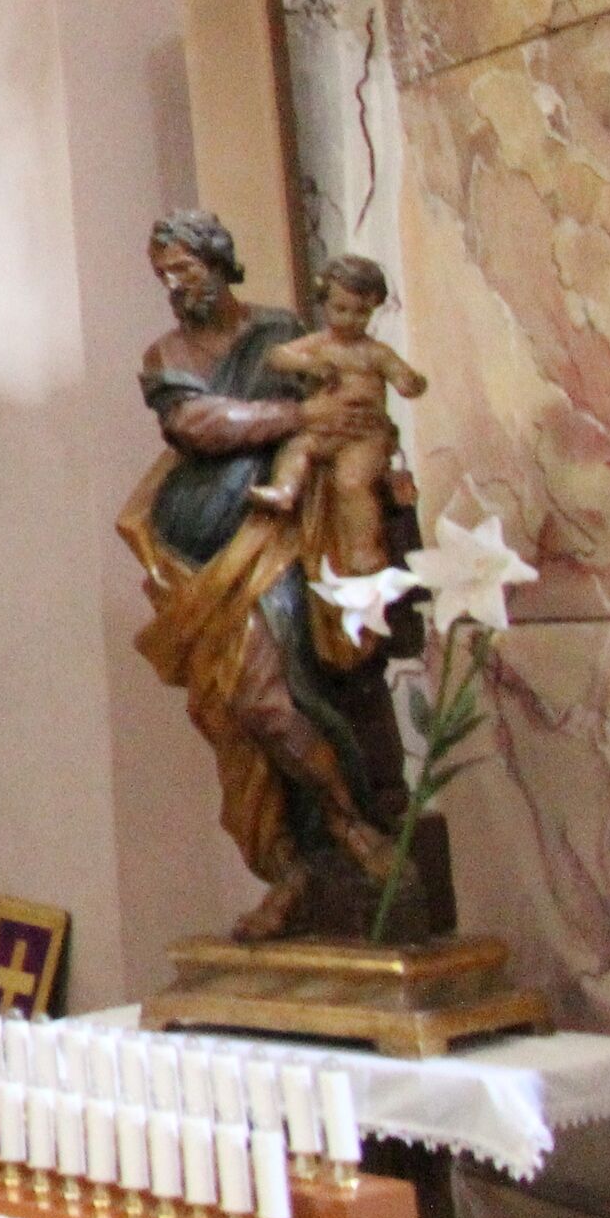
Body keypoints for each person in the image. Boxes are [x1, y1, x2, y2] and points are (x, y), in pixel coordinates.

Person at [118, 211, 416, 940]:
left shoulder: (280, 333)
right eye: (164, 274)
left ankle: (352, 829)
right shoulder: (166, 356)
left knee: (270, 700)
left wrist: (370, 459)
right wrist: (298, 414)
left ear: (220, 262)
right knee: (234, 722)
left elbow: (352, 403)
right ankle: (290, 868)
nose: (174, 285)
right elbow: (196, 425)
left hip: (279, 545)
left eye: (185, 268)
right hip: (198, 566)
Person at [246, 255, 425, 577]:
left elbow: (403, 376)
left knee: (352, 482)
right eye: (340, 309)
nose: (351, 319)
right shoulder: (319, 345)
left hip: (365, 435)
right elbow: (277, 356)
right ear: (324, 305)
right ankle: (285, 489)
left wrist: (410, 382)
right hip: (325, 430)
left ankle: (364, 549)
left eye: (361, 312)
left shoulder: (375, 353)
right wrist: (307, 364)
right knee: (297, 448)